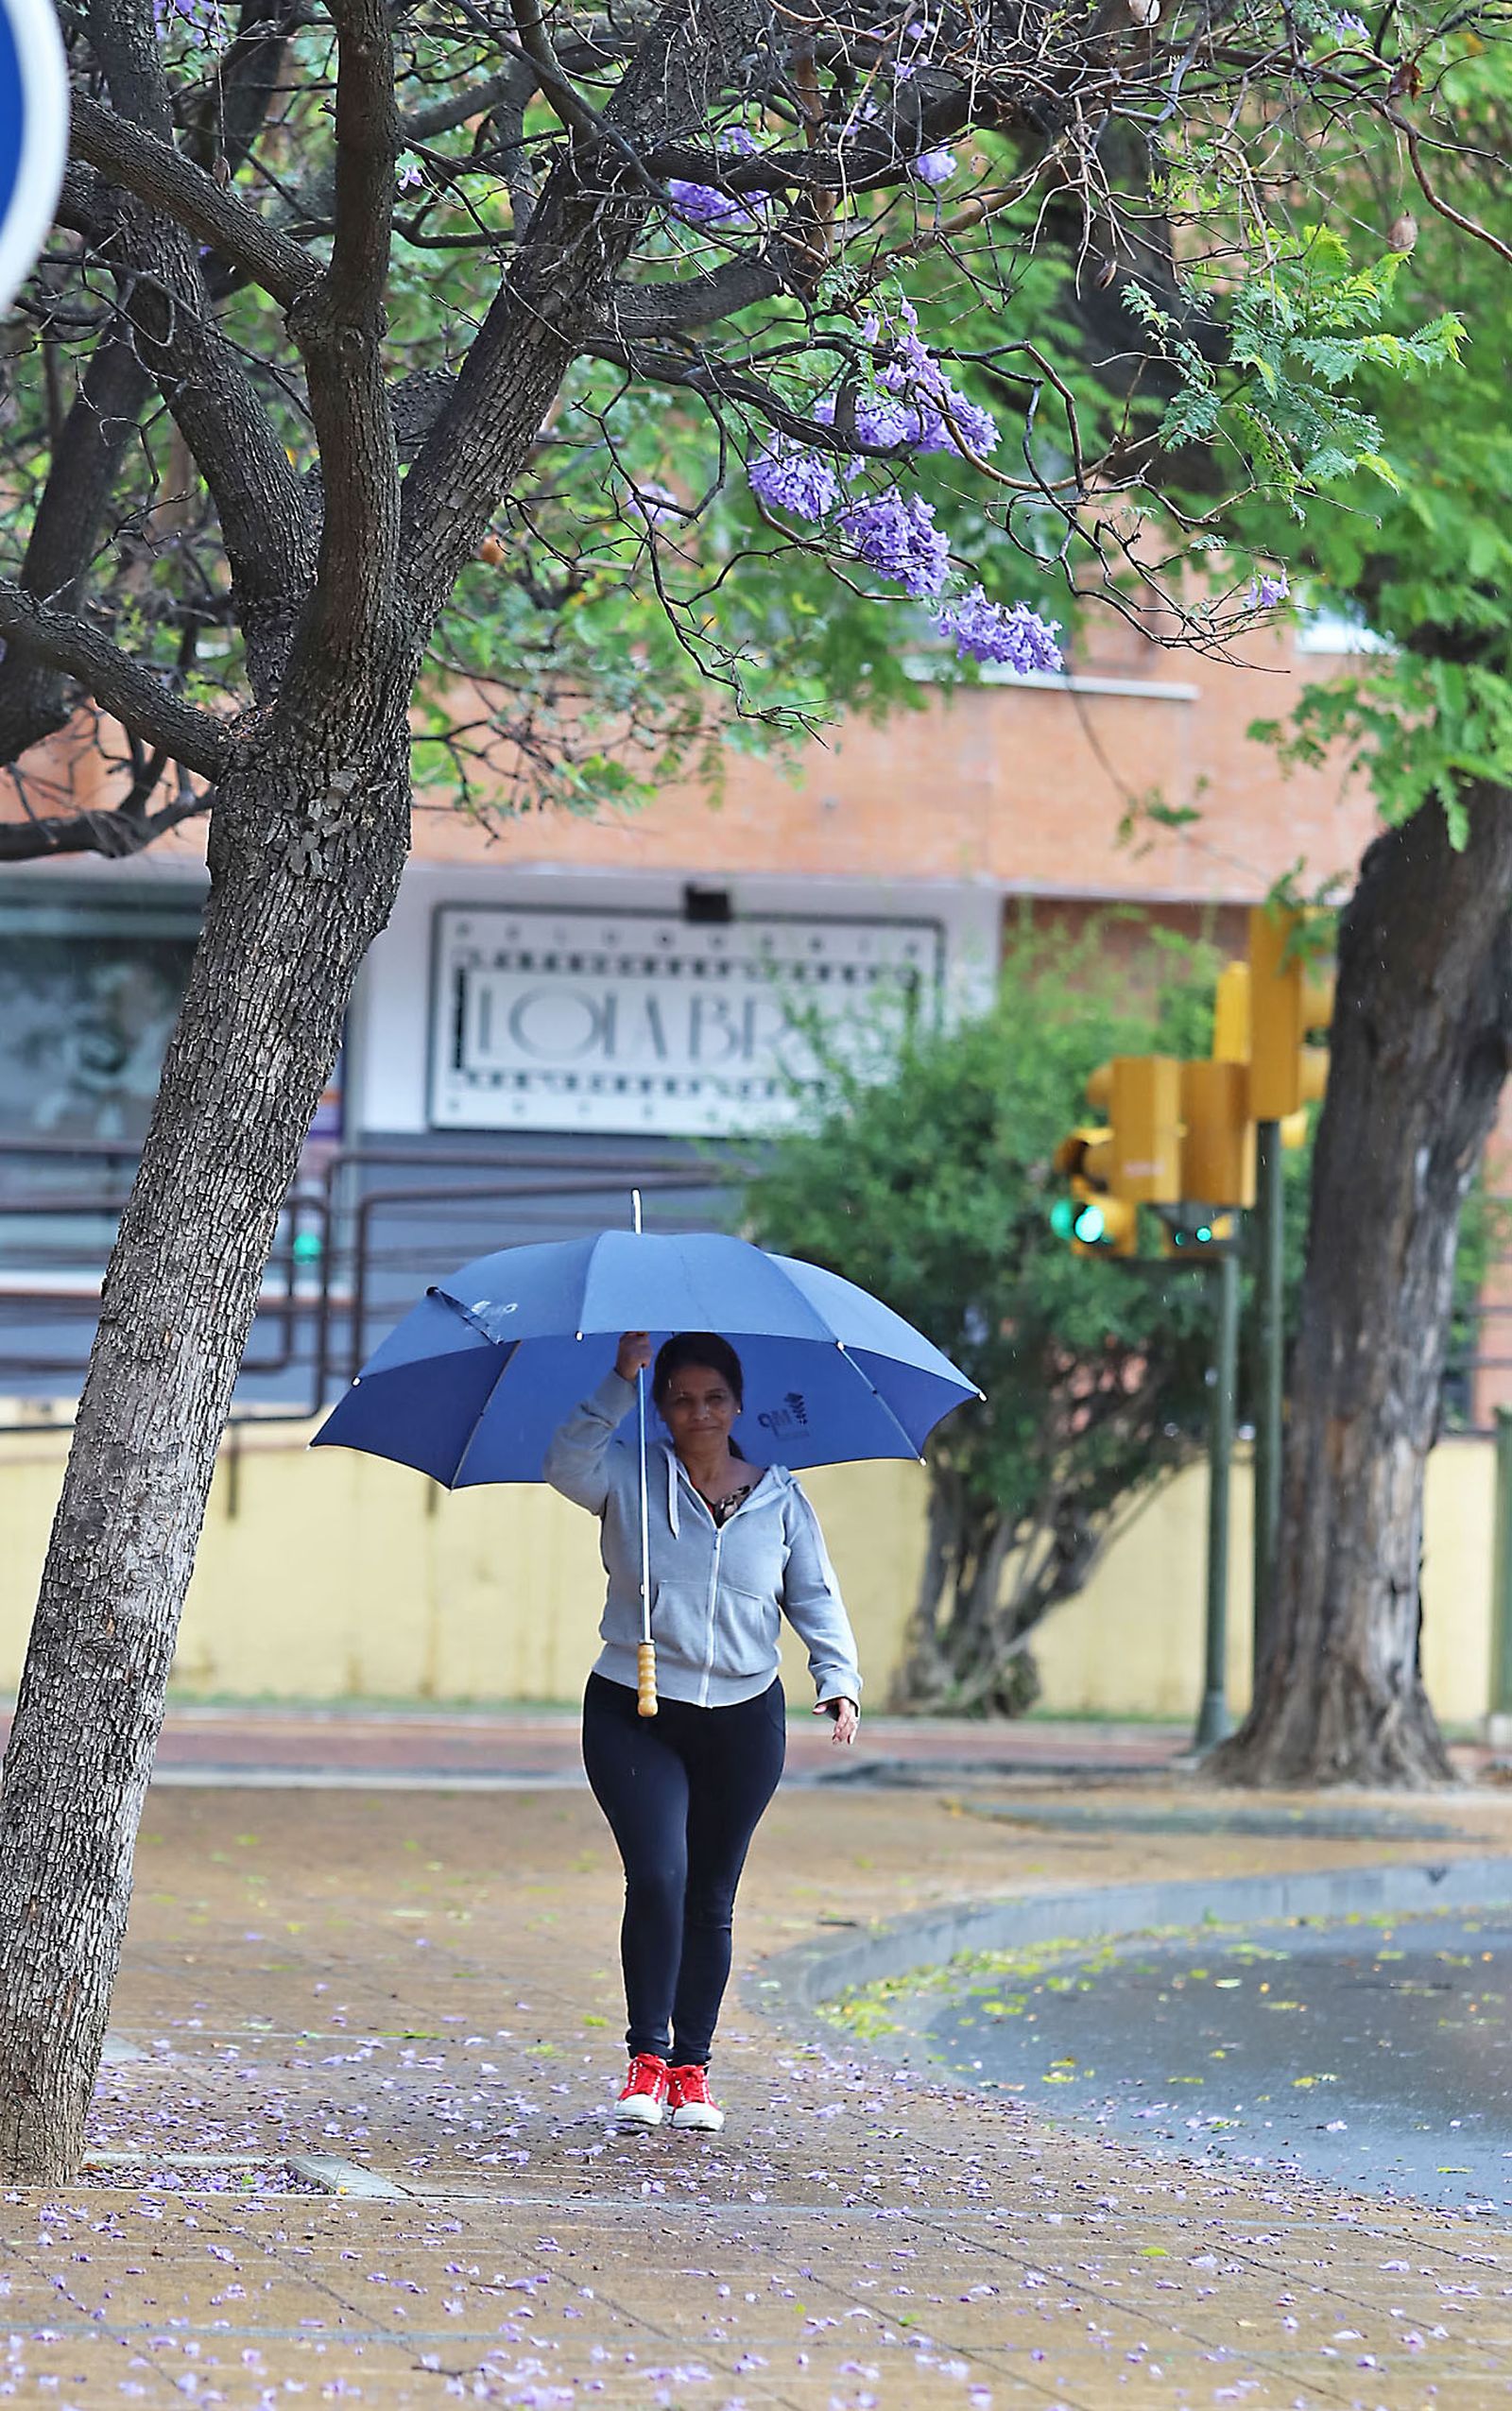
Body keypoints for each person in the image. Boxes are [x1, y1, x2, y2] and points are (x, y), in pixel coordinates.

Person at [544, 1328, 862, 2134]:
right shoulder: (628, 1475)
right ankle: (647, 2059)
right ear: (660, 1406)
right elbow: (565, 1464)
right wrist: (618, 1379)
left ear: (738, 1405)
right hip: (636, 1707)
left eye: (714, 1397)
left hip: (745, 1718)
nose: (699, 1412)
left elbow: (814, 1594)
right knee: (660, 1875)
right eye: (681, 1398)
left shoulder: (779, 1497)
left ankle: (692, 2069)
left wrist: (838, 1677)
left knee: (711, 1896)